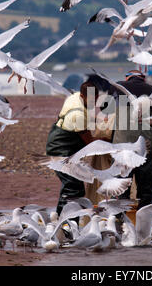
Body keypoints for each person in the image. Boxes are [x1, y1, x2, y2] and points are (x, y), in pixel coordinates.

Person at [46, 80, 101, 215]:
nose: (94, 103)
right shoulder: (79, 114)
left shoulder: (74, 96)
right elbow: (90, 142)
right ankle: (68, 223)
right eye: (92, 100)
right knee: (74, 187)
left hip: (59, 140)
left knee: (70, 185)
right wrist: (104, 142)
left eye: (96, 100)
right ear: (82, 96)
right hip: (61, 147)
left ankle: (62, 218)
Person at [108, 70, 152, 210]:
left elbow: (105, 109)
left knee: (121, 183)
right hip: (147, 144)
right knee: (146, 186)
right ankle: (145, 216)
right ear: (143, 79)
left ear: (127, 78)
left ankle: (119, 218)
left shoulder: (118, 86)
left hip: (123, 144)